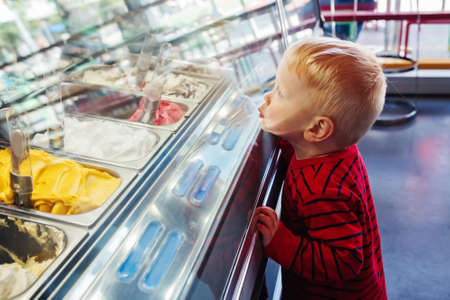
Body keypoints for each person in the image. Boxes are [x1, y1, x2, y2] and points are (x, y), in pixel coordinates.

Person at [255, 37, 387, 299]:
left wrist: (281, 242)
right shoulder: (333, 150)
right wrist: (290, 139)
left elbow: (345, 260)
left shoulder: (322, 190)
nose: (268, 97)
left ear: (316, 128)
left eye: (280, 92)